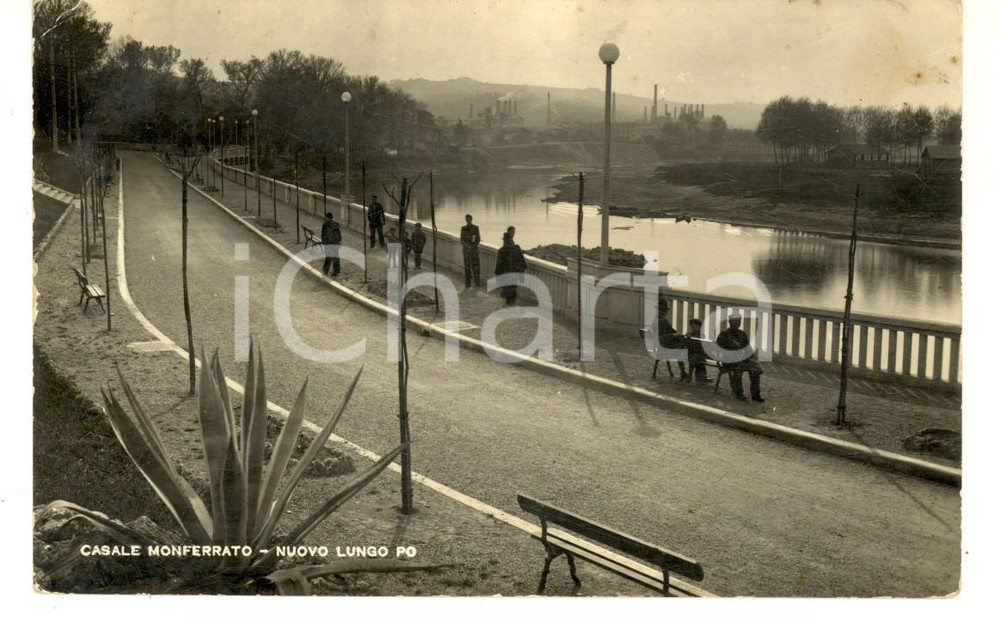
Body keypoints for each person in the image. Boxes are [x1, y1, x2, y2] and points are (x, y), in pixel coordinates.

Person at [715, 314, 764, 402]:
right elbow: (719, 350)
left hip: (741, 359)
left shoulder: (742, 334)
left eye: (738, 321)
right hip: (728, 360)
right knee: (738, 369)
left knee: (755, 369)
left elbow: (748, 349)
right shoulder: (724, 334)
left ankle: (755, 394)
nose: (737, 323)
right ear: (730, 322)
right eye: (735, 321)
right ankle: (738, 393)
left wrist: (749, 357)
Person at [494, 226, 526, 304]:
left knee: (510, 285)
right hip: (509, 268)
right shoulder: (510, 244)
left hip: (509, 268)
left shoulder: (508, 245)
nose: (513, 233)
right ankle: (510, 301)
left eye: (514, 232)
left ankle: (510, 301)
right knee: (511, 285)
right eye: (512, 232)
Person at [682, 318, 710, 384]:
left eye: (694, 326)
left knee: (693, 358)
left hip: (699, 355)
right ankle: (690, 376)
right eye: (691, 326)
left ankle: (690, 376)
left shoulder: (701, 335)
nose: (692, 328)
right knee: (692, 357)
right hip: (694, 354)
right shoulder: (690, 334)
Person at [460, 214, 481, 287]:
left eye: (469, 219)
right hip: (466, 252)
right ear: (466, 220)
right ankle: (468, 283)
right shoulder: (463, 228)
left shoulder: (476, 228)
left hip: (474, 251)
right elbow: (462, 240)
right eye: (467, 219)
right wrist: (467, 246)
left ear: (471, 219)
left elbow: (478, 239)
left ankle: (477, 282)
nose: (468, 220)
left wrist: (473, 246)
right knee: (467, 267)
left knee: (476, 267)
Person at [321, 212, 342, 277]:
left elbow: (323, 234)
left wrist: (324, 242)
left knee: (328, 257)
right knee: (335, 257)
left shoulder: (325, 224)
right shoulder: (336, 224)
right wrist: (339, 241)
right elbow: (339, 234)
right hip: (335, 243)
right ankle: (335, 271)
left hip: (329, 243)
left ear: (327, 217)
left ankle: (326, 270)